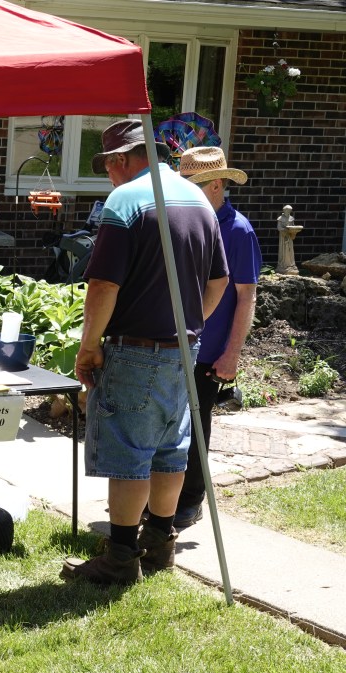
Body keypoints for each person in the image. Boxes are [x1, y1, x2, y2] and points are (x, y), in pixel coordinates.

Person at [60, 120, 229, 586]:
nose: (108, 177)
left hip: (135, 351)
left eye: (107, 167)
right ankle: (159, 545)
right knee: (170, 451)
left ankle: (120, 558)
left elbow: (103, 285)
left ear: (120, 160)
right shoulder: (199, 199)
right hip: (184, 351)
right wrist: (186, 326)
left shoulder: (126, 200)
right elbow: (219, 281)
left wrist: (88, 346)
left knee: (130, 453)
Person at [174, 147, 262, 527]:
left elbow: (246, 296)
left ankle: (191, 499)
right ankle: (160, 500)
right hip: (173, 343)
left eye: (191, 184)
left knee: (196, 427)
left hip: (208, 352)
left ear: (215, 185)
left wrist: (232, 354)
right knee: (167, 426)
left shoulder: (238, 230)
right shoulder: (182, 220)